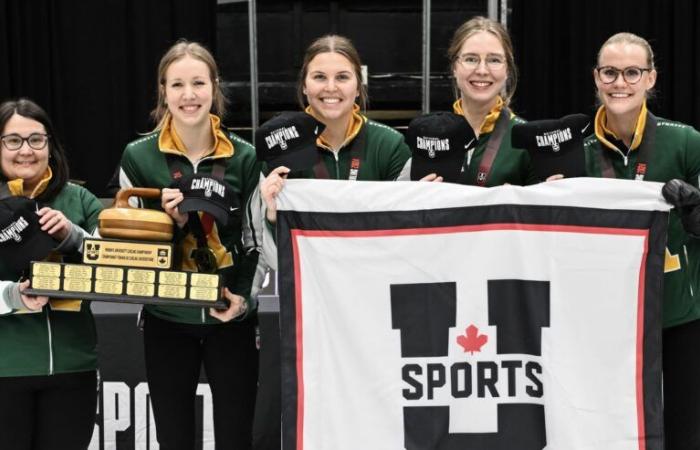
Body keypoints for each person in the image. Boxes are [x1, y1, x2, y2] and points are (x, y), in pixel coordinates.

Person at [118, 40, 263, 449]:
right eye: (177, 84)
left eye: (198, 83)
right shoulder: (138, 156)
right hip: (168, 316)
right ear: (162, 91)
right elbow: (132, 246)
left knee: (236, 436)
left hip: (229, 314)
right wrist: (171, 224)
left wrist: (244, 301)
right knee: (173, 436)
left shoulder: (245, 156)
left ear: (214, 87)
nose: (188, 95)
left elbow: (254, 242)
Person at [583, 32, 700, 450]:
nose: (621, 83)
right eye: (610, 72)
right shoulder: (576, 147)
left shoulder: (684, 140)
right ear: (596, 78)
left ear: (651, 78)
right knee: (609, 430)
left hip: (676, 315)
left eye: (633, 72)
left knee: (684, 432)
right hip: (602, 319)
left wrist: (695, 212)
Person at [0, 98, 103, 450]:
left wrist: (72, 237)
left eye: (36, 140)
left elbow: (117, 269)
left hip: (72, 370)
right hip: (5, 370)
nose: (25, 151)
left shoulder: (81, 200)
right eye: (13, 140)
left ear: (51, 146)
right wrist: (14, 295)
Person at [259, 34, 411, 229]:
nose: (331, 88)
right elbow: (259, 241)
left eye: (342, 77)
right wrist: (272, 217)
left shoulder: (390, 145)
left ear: (358, 87)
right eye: (320, 77)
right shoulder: (279, 145)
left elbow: (404, 229)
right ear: (304, 86)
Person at [400, 16, 535, 186]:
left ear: (507, 70)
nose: (482, 70)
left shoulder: (527, 140)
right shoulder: (425, 135)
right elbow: (398, 205)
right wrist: (415, 195)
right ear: (455, 68)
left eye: (494, 60)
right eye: (471, 59)